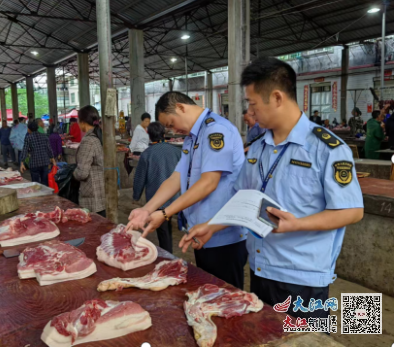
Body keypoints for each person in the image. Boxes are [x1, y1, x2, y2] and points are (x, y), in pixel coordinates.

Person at [180, 57, 364, 320]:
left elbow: (353, 211)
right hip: (260, 269)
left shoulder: (326, 149)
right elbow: (241, 198)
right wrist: (212, 225)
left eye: (253, 104)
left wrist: (296, 224)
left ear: (277, 97)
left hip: (302, 277)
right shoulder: (257, 148)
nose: (251, 112)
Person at [127, 92, 247, 288]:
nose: (173, 130)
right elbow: (176, 178)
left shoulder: (216, 130)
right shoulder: (193, 137)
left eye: (171, 123)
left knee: (227, 300)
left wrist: (165, 213)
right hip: (200, 234)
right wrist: (146, 210)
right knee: (208, 296)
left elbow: (209, 182)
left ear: (181, 108)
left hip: (223, 236)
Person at [132, 122, 182, 253]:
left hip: (157, 198)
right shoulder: (177, 151)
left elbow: (140, 178)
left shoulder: (147, 154)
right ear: (164, 134)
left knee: (163, 229)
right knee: (167, 224)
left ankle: (168, 256)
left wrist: (136, 196)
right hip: (176, 196)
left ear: (149, 136)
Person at [73, 105, 106, 217]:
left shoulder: (88, 141)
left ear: (82, 122)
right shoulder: (99, 136)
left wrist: (73, 172)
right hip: (101, 193)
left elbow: (82, 173)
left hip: (92, 197)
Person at [20, 120, 55, 186]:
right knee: (45, 183)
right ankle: (45, 195)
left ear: (29, 129)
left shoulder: (28, 138)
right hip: (45, 162)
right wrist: (53, 160)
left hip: (34, 164)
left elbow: (25, 150)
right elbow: (49, 149)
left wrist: (22, 163)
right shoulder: (44, 136)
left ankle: (38, 195)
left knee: (35, 184)